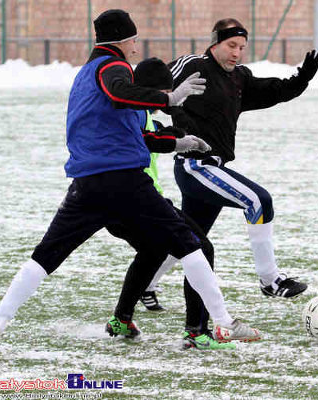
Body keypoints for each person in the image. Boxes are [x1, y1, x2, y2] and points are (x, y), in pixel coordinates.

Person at [0, 10, 261, 361]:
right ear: (124, 40)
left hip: (86, 185)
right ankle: (220, 323)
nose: (134, 46)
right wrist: (169, 100)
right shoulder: (111, 68)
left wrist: (179, 142)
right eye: (133, 39)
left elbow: (135, 131)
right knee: (192, 245)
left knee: (45, 257)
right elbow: (120, 91)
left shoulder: (84, 75)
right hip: (125, 182)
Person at [147, 18, 318, 301]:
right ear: (215, 42)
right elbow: (153, 87)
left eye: (242, 47)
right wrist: (161, 118)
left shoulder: (239, 77)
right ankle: (271, 280)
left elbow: (275, 91)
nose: (236, 52)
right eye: (231, 45)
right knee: (258, 201)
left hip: (215, 167)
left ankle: (145, 285)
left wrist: (303, 76)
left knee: (189, 238)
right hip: (195, 165)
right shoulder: (193, 65)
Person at [107, 57, 234, 350]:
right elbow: (148, 140)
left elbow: (153, 133)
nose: (163, 100)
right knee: (200, 247)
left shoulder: (138, 111)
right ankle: (197, 332)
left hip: (121, 202)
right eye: (162, 93)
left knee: (153, 251)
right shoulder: (132, 112)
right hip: (136, 199)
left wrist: (176, 133)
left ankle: (121, 319)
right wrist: (179, 139)